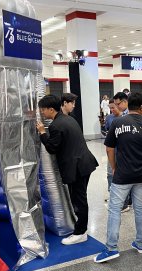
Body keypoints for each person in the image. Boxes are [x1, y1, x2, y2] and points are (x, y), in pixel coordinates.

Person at [94, 92, 142, 263]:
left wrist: (114, 168)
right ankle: (141, 243)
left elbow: (109, 149)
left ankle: (112, 247)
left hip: (123, 174)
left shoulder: (118, 122)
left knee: (115, 209)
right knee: (140, 208)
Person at [36, 95, 99, 245]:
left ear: (51, 109)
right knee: (79, 199)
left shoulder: (56, 125)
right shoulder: (67, 119)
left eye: (43, 110)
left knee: (79, 201)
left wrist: (42, 133)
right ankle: (80, 229)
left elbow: (51, 148)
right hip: (84, 164)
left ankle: (80, 233)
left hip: (77, 167)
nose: (42, 113)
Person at [104, 100, 122, 200]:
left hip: (122, 150)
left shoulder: (125, 117)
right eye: (110, 108)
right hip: (111, 149)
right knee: (110, 172)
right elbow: (107, 130)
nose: (112, 110)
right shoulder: (109, 118)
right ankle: (112, 193)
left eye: (113, 107)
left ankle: (126, 199)